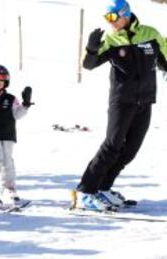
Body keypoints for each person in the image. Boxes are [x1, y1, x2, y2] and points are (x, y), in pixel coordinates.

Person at [75, 0, 167, 211]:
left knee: (130, 150)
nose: (110, 23)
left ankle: (104, 188)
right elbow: (88, 65)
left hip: (145, 101)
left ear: (124, 14)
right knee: (112, 145)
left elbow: (165, 60)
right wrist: (91, 48)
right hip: (121, 101)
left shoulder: (151, 34)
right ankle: (86, 191)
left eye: (112, 17)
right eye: (106, 18)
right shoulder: (111, 39)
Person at [0, 65, 33, 204]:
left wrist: (25, 104)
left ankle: (9, 187)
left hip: (8, 136)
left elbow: (18, 115)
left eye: (1, 79)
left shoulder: (10, 99)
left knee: (8, 162)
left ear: (6, 82)